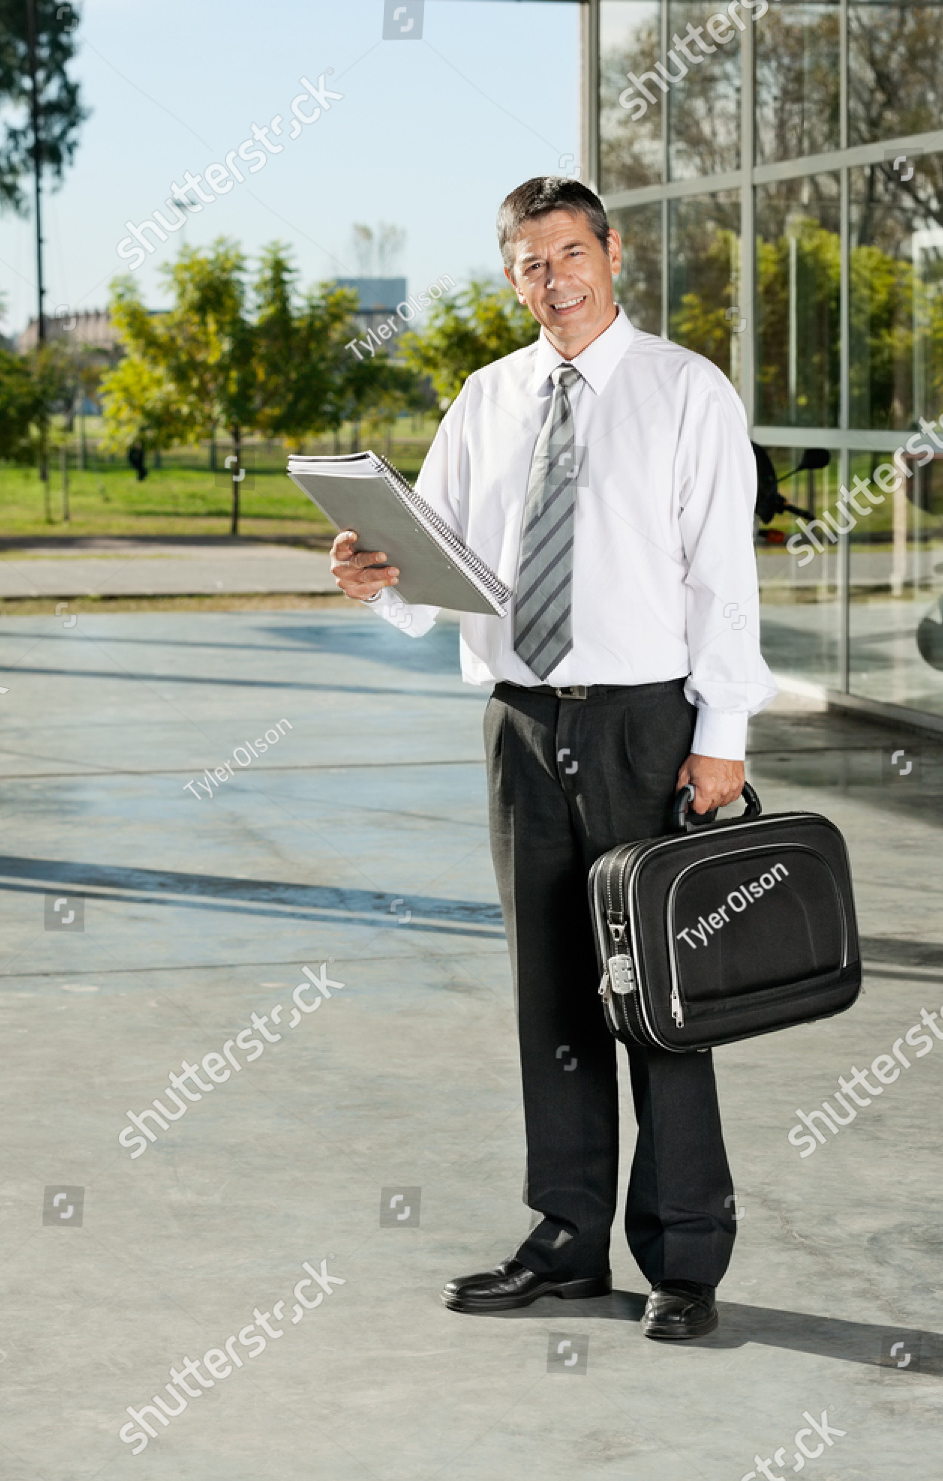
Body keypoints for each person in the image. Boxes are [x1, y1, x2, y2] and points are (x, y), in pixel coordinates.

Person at [330, 176, 776, 1341]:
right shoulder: (486, 399)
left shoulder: (685, 392)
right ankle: (567, 1239)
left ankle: (684, 1258)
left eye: (571, 252)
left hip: (645, 724)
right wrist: (376, 576)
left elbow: (724, 584)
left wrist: (719, 741)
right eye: (531, 263)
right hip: (521, 726)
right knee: (553, 995)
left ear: (611, 253)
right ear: (509, 275)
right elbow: (436, 564)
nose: (555, 280)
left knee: (658, 1000)